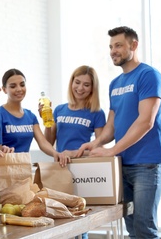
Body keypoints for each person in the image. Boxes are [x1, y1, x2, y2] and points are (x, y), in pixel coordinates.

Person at [77, 26, 161, 239]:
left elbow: (146, 121)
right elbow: (111, 126)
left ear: (133, 45)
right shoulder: (115, 84)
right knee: (132, 227)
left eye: (118, 45)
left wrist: (112, 150)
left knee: (144, 227)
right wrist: (96, 143)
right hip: (122, 165)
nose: (112, 51)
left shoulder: (149, 75)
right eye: (110, 46)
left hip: (147, 164)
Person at [40, 65, 106, 239]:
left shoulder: (96, 113)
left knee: (81, 218)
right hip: (61, 169)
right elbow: (48, 142)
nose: (80, 88)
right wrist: (46, 122)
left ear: (93, 88)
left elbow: (98, 148)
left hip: (84, 171)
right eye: (77, 82)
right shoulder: (59, 110)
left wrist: (75, 152)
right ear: (71, 82)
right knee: (61, 218)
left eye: (86, 85)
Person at [0, 68, 68, 166]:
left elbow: (43, 143)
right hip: (4, 168)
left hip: (24, 168)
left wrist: (56, 153)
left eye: (22, 85)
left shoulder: (30, 116)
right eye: (13, 86)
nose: (19, 89)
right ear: (4, 89)